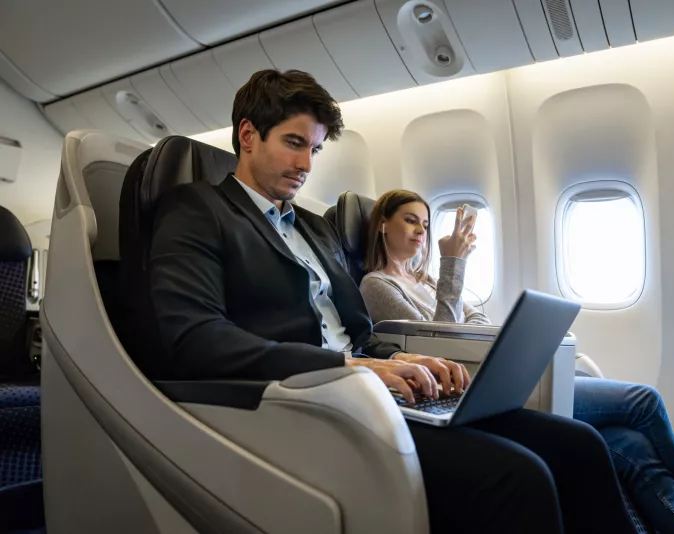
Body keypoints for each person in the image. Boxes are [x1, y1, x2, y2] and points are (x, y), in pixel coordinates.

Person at [144, 69, 639, 534]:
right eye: (294, 143)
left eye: (314, 150)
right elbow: (195, 339)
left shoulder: (314, 228)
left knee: (578, 445)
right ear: (248, 135)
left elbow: (358, 334)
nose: (305, 165)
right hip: (300, 402)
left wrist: (405, 359)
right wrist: (349, 367)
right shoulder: (198, 210)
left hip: (368, 390)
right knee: (519, 475)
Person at [358, 189, 674, 534]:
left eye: (425, 223)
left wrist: (450, 287)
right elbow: (440, 344)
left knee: (629, 444)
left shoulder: (427, 283)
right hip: (473, 386)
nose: (421, 231)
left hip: (496, 372)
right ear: (383, 225)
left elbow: (476, 324)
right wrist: (453, 265)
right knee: (644, 401)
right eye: (410, 220)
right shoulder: (377, 284)